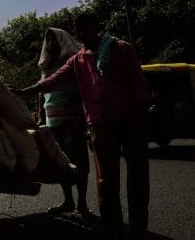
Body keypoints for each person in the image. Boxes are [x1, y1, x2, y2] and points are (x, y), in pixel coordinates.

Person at [21, 12, 150, 239]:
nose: (82, 33)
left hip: (130, 120)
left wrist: (141, 116)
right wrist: (24, 91)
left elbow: (138, 83)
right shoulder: (78, 59)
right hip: (100, 123)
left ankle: (139, 225)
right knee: (106, 178)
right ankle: (112, 224)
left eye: (86, 27)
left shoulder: (120, 48)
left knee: (137, 173)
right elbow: (53, 81)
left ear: (97, 26)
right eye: (78, 29)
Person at [36, 28, 90, 217]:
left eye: (54, 39)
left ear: (62, 41)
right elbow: (42, 92)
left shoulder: (73, 63)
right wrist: (40, 115)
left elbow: (83, 90)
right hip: (53, 121)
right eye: (48, 40)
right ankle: (68, 201)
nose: (50, 43)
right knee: (62, 163)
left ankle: (82, 203)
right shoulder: (46, 66)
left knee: (80, 162)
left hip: (72, 119)